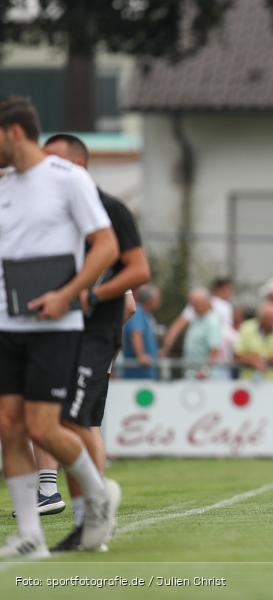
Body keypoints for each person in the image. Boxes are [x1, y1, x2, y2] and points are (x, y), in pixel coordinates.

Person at [0, 97, 121, 558]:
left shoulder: (68, 179)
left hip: (55, 324)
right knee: (9, 426)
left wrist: (67, 294)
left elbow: (106, 247)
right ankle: (31, 535)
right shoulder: (5, 186)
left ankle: (98, 495)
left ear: (14, 132)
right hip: (6, 322)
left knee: (44, 427)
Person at [29, 134, 150, 551]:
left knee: (77, 421)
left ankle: (92, 513)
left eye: (55, 161)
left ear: (79, 165)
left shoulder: (109, 210)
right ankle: (85, 513)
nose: (46, 169)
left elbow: (135, 279)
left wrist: (90, 299)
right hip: (53, 333)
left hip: (94, 335)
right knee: (53, 421)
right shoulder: (50, 212)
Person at [160, 277, 236, 367]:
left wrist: (166, 348)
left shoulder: (219, 311)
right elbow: (176, 327)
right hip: (206, 365)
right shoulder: (201, 307)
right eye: (228, 289)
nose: (230, 293)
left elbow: (176, 328)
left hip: (213, 366)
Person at [234, 301, 273, 380]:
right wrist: (252, 359)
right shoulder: (246, 328)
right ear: (261, 319)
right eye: (269, 319)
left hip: (272, 381)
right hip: (247, 381)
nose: (272, 321)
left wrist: (263, 359)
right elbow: (237, 355)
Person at [183, 287, 225, 380]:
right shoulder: (196, 319)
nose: (192, 307)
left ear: (205, 303)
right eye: (191, 304)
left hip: (205, 379)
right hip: (193, 376)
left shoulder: (212, 321)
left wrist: (205, 371)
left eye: (195, 304)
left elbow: (215, 350)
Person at [122, 284, 161, 380]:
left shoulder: (145, 314)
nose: (159, 301)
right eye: (157, 298)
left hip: (144, 373)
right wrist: (141, 355)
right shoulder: (138, 312)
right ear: (150, 300)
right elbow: (135, 333)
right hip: (137, 375)